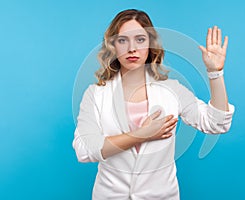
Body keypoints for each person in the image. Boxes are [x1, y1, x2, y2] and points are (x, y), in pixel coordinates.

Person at [73, 9, 234, 200]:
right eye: (123, 40)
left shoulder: (172, 90)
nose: (132, 48)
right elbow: (84, 150)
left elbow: (216, 123)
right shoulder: (96, 94)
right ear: (113, 46)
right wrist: (141, 135)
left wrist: (215, 73)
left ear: (150, 44)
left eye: (140, 39)